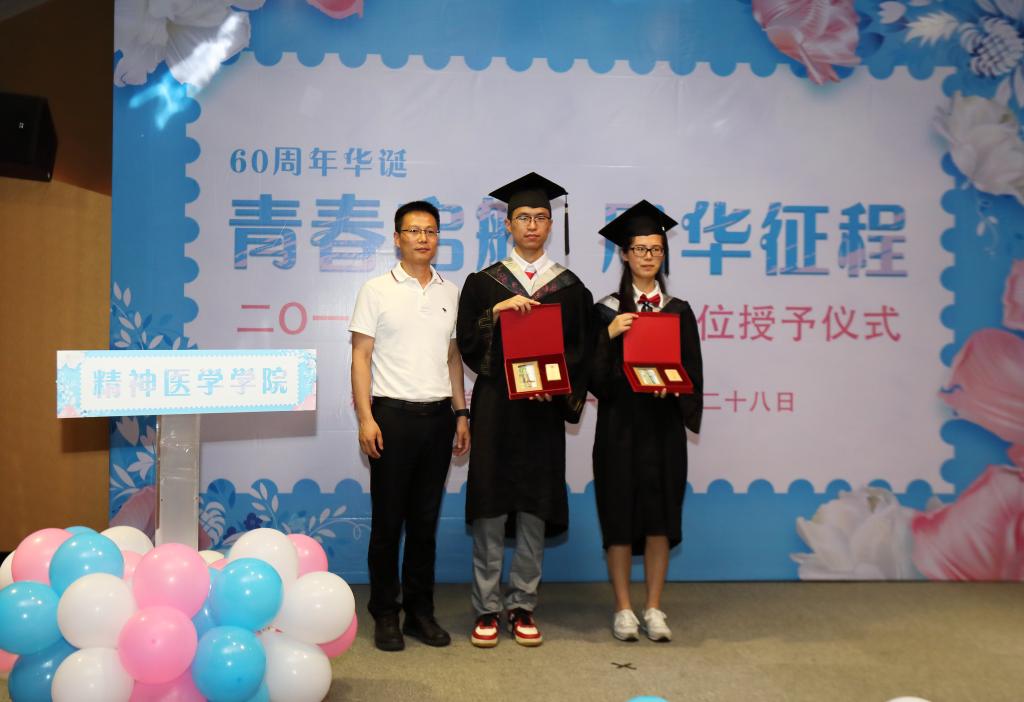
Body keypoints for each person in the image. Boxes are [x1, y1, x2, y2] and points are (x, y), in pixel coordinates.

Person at [456, 172, 593, 648]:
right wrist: (494, 314)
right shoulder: (484, 284)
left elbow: (582, 351)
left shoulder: (570, 288)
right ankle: (487, 606)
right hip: (498, 407)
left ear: (550, 225)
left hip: (542, 411)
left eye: (540, 217)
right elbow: (468, 342)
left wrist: (556, 388)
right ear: (508, 224)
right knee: (491, 506)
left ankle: (523, 603)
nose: (532, 225)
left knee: (535, 506)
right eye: (523, 217)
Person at [349, 200, 471, 652]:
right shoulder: (376, 289)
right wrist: (366, 418)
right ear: (397, 238)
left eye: (431, 231)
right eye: (414, 230)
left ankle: (421, 612)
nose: (423, 238)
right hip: (391, 418)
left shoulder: (450, 291)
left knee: (424, 523)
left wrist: (461, 413)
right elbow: (360, 356)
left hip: (438, 418)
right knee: (388, 523)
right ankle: (385, 612)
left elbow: (453, 358)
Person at [589, 200, 704, 642]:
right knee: (618, 516)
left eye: (656, 249)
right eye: (639, 248)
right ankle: (623, 609)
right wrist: (608, 335)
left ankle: (654, 607)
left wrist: (674, 388)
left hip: (662, 428)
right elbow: (591, 376)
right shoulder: (607, 311)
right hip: (619, 427)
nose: (648, 256)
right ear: (624, 254)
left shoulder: (678, 310)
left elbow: (692, 372)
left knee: (660, 518)